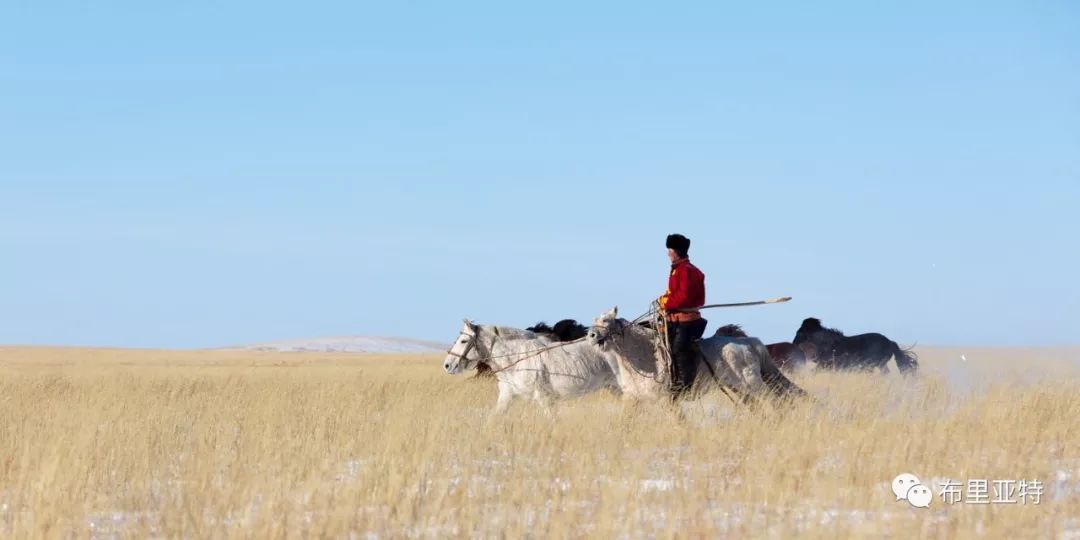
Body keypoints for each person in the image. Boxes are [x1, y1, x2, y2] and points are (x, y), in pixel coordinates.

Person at [658, 233, 707, 398]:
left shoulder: (686, 270)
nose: (667, 253)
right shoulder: (679, 269)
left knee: (679, 349)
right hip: (675, 319)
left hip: (686, 321)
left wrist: (666, 303)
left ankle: (685, 386)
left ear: (676, 251)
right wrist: (663, 299)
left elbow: (683, 297)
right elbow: (674, 294)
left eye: (669, 249)